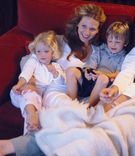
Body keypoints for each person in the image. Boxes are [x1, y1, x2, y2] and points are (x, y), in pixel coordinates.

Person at [0, 4, 106, 156]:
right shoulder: (60, 41)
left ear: (98, 30)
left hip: (61, 91)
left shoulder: (97, 52)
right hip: (39, 87)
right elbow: (30, 58)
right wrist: (29, 81)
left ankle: (9, 146)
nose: (87, 32)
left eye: (92, 29)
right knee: (28, 99)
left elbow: (93, 81)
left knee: (68, 119)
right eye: (84, 26)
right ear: (77, 24)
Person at [10, 30, 64, 134]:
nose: (42, 54)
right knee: (30, 94)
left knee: (35, 104)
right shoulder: (34, 61)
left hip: (37, 99)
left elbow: (61, 83)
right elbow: (26, 73)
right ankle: (32, 115)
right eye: (38, 51)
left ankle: (30, 130)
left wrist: (55, 74)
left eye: (46, 51)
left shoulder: (56, 67)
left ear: (53, 52)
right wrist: (19, 85)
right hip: (21, 93)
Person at [66, 21, 130, 108]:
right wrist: (88, 72)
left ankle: (88, 106)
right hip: (91, 78)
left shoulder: (124, 57)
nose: (113, 44)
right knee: (70, 71)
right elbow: (92, 62)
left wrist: (103, 74)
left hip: (103, 83)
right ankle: (71, 102)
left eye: (117, 42)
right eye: (110, 41)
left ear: (125, 42)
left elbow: (118, 74)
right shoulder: (102, 49)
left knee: (102, 78)